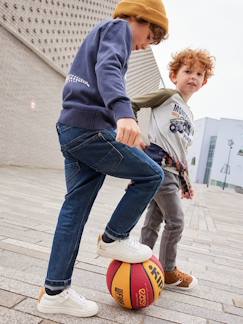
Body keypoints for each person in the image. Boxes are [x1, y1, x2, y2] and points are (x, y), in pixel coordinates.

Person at [37, 0, 169, 318]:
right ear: (142, 19)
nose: (143, 46)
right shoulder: (119, 28)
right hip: (89, 130)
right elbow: (108, 69)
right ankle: (114, 238)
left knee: (75, 209)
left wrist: (122, 121)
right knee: (152, 175)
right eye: (150, 38)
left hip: (71, 128)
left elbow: (99, 75)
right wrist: (123, 114)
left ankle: (55, 292)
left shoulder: (102, 32)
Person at [132, 48, 215, 290]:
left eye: (199, 74)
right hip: (158, 166)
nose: (193, 77)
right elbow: (132, 104)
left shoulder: (189, 113)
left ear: (204, 82)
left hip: (172, 172)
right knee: (176, 221)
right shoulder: (168, 96)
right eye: (188, 71)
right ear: (174, 75)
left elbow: (180, 149)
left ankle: (140, 261)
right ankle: (167, 270)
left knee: (154, 218)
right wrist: (135, 132)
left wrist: (184, 179)